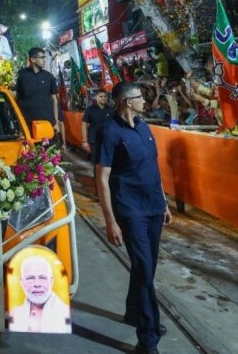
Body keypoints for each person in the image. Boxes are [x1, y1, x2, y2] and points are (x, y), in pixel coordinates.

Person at [97, 82, 172, 354]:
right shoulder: (109, 131)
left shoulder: (144, 127)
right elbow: (102, 178)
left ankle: (133, 311)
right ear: (127, 102)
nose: (145, 101)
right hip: (130, 211)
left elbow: (153, 167)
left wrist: (164, 202)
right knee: (143, 269)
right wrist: (110, 220)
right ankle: (148, 336)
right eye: (140, 97)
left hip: (153, 208)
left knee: (147, 268)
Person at [7, 255, 71, 333]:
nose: (37, 284)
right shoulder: (15, 313)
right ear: (22, 282)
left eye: (42, 278)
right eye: (30, 278)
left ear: (51, 281)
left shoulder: (64, 312)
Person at [15, 48, 59, 135]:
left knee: (48, 148)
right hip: (26, 122)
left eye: (44, 57)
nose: (44, 60)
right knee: (28, 148)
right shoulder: (21, 75)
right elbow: (15, 96)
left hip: (46, 121)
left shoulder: (49, 77)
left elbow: (54, 100)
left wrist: (56, 122)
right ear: (33, 59)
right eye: (42, 57)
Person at [82, 89, 110, 159]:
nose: (103, 98)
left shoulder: (111, 109)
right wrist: (84, 141)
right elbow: (84, 125)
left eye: (105, 96)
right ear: (96, 98)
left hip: (108, 140)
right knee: (96, 161)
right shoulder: (90, 109)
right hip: (94, 140)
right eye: (101, 96)